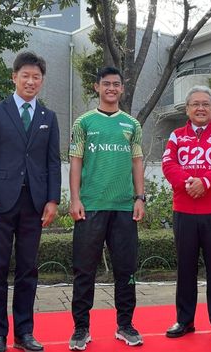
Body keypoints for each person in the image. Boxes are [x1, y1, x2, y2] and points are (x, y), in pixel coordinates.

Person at [0, 51, 61, 352]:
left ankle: (24, 332)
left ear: (41, 81)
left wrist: (53, 200)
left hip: (34, 205)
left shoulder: (48, 117)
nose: (30, 81)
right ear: (14, 77)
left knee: (28, 269)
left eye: (36, 77)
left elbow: (53, 162)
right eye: (25, 75)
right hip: (0, 203)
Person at [68, 66, 146, 350]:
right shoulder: (84, 123)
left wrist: (141, 197)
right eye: (106, 84)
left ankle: (125, 326)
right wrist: (75, 199)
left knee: (126, 269)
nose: (111, 88)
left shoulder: (132, 125)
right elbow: (76, 161)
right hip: (90, 206)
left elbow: (137, 162)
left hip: (125, 207)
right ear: (97, 87)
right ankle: (81, 328)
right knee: (84, 270)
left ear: (122, 89)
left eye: (116, 84)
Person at [161, 86, 211, 344]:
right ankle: (184, 320)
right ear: (187, 109)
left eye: (206, 104)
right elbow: (168, 164)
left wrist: (204, 182)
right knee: (185, 268)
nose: (201, 108)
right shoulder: (175, 136)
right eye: (195, 104)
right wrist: (187, 183)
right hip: (184, 211)